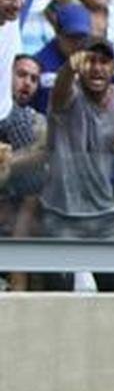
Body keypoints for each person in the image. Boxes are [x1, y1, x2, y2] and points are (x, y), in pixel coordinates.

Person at [38, 38, 114, 292]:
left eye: (104, 62)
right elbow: (60, 93)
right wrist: (67, 70)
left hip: (105, 215)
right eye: (90, 61)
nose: (97, 68)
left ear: (113, 69)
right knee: (56, 296)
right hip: (61, 213)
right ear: (80, 66)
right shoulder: (69, 93)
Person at [0, 54, 47, 291]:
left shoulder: (37, 121)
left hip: (21, 205)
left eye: (34, 79)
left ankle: (19, 283)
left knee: (32, 199)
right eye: (21, 75)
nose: (27, 83)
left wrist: (10, 163)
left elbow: (44, 155)